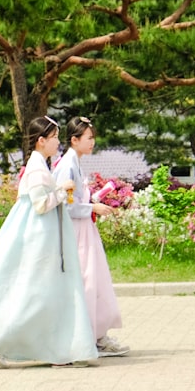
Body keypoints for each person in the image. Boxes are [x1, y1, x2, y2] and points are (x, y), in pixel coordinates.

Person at [0, 116, 98, 368]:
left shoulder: (39, 164)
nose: (57, 143)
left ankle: (55, 348)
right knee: (36, 295)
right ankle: (15, 344)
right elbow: (40, 204)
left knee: (42, 296)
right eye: (54, 138)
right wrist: (63, 189)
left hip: (45, 237)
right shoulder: (37, 167)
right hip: (40, 239)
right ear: (41, 141)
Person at [53, 116, 130, 357]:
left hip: (84, 228)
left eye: (93, 138)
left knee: (94, 279)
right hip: (77, 231)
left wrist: (92, 201)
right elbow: (66, 205)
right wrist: (92, 208)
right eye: (88, 138)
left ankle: (96, 334)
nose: (92, 142)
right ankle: (90, 336)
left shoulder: (74, 162)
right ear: (74, 140)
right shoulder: (67, 165)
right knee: (87, 280)